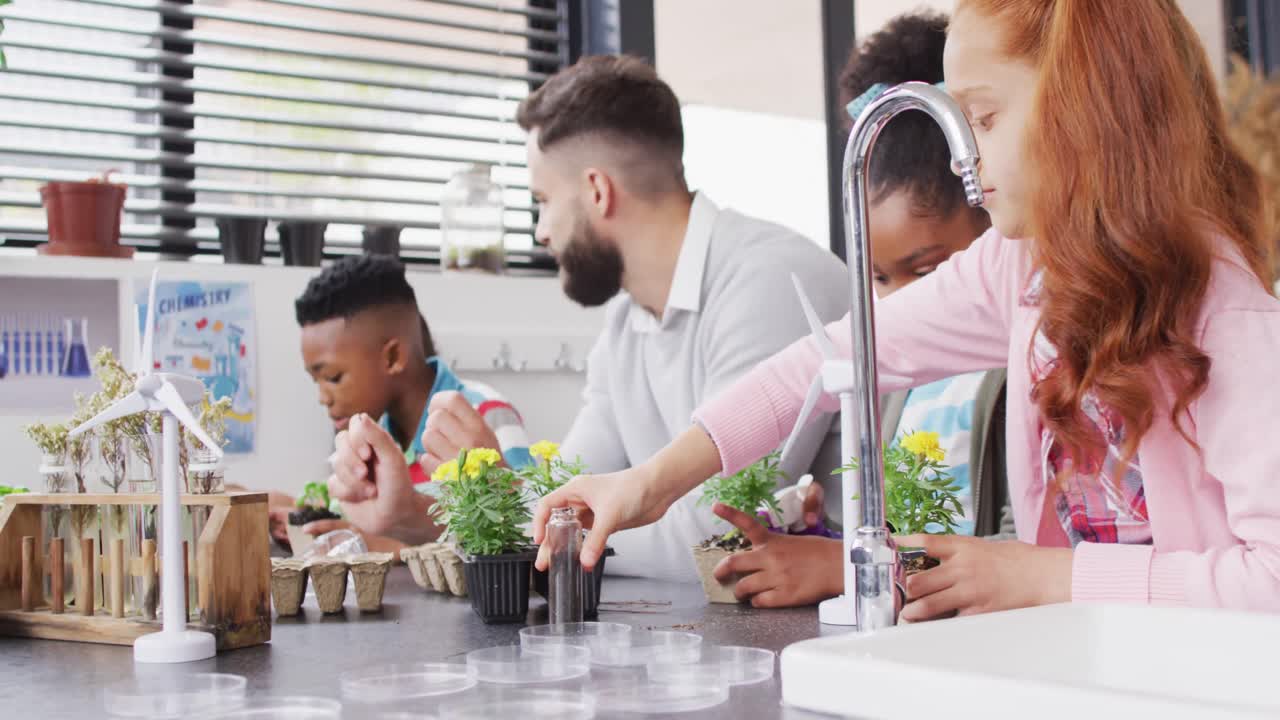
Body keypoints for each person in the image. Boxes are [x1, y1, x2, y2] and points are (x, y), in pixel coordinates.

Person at [534, 0, 1280, 618]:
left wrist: (1040, 575)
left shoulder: (1226, 313)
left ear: (1089, 109)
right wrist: (649, 483)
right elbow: (830, 360)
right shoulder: (1022, 269)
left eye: (982, 120)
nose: (963, 159)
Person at [328, 55, 851, 581]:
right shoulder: (627, 321)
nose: (540, 232)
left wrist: (520, 510)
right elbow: (567, 493)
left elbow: (713, 540)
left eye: (543, 200)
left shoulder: (769, 281)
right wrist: (412, 512)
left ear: (598, 191)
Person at [706, 11, 1010, 609]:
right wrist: (824, 539)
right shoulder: (895, 382)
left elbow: (1022, 555)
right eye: (878, 277)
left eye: (926, 270)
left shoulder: (1021, 367)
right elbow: (891, 538)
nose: (897, 303)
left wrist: (842, 568)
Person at [275, 255, 532, 556]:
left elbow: (525, 530)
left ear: (393, 357)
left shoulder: (486, 415)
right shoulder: (372, 439)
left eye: (333, 377)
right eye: (316, 381)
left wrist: (389, 548)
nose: (323, 397)